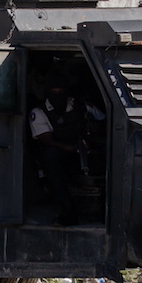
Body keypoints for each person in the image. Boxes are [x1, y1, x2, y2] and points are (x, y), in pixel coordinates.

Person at [29, 66, 105, 225]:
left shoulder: (80, 106)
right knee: (52, 156)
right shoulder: (39, 112)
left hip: (84, 152)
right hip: (60, 155)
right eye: (54, 93)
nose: (58, 97)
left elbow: (103, 120)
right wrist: (71, 148)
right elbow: (46, 140)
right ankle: (68, 210)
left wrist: (91, 141)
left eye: (61, 92)